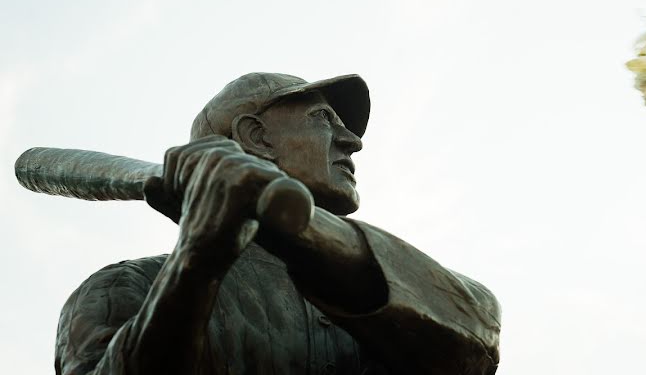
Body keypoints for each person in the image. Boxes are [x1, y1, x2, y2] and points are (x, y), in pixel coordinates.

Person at [54, 73, 501, 375]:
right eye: (324, 119)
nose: (354, 142)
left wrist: (289, 225)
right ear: (256, 138)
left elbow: (475, 343)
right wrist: (197, 262)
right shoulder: (127, 287)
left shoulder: (418, 289)